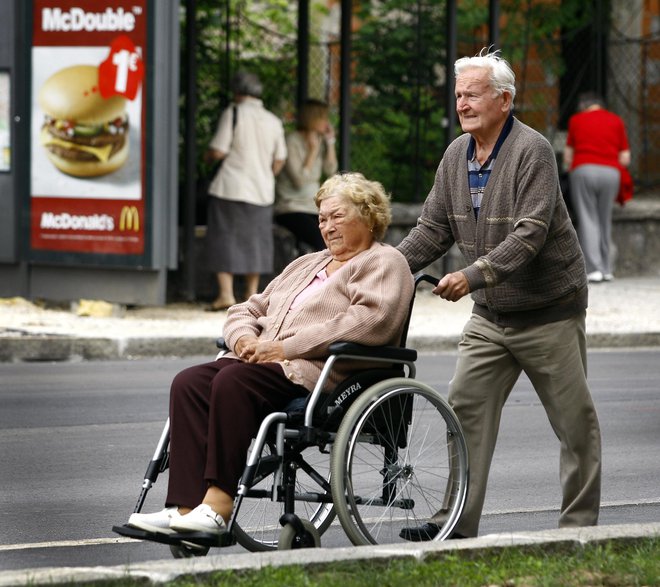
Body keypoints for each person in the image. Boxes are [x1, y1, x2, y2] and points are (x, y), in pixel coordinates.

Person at [127, 172, 414, 537]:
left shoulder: (385, 262)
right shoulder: (306, 264)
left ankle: (217, 506)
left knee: (233, 381)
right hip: (267, 363)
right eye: (322, 219)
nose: (327, 227)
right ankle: (184, 508)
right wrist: (243, 339)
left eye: (337, 216)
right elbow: (247, 308)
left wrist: (284, 347)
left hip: (321, 371)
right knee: (190, 382)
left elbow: (369, 322)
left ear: (369, 215)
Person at [396, 49, 602, 540]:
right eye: (459, 93)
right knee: (463, 410)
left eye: (472, 93)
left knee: (575, 426)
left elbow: (529, 235)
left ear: (504, 100)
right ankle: (456, 524)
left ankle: (578, 531)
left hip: (549, 312)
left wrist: (472, 276)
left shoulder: (533, 152)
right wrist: (383, 268)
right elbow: (431, 229)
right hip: (491, 317)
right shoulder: (456, 155)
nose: (462, 102)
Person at [204, 71, 287, 311]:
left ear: (237, 92)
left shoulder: (233, 113)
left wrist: (207, 156)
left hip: (231, 186)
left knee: (224, 237)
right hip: (261, 190)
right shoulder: (273, 120)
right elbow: (280, 159)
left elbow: (219, 150)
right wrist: (264, 174)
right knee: (257, 241)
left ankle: (226, 294)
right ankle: (252, 295)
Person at [564, 92, 631, 283]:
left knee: (588, 219)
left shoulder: (576, 120)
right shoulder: (616, 120)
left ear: (584, 106)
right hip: (611, 172)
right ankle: (607, 268)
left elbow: (569, 156)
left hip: (584, 170)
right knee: (604, 219)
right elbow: (625, 157)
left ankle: (593, 269)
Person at [275, 99, 338, 252]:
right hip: (290, 207)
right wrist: (312, 151)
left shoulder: (319, 141)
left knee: (337, 235)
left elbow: (331, 170)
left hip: (312, 207)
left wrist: (330, 144)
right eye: (323, 118)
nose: (326, 122)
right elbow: (299, 181)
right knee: (322, 240)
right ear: (312, 119)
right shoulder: (292, 142)